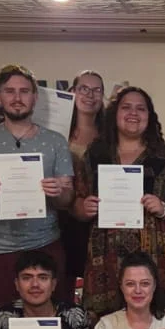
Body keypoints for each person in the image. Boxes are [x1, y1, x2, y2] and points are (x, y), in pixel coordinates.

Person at [76, 86, 165, 317]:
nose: (133, 113)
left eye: (140, 109)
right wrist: (84, 208)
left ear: (149, 117)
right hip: (105, 262)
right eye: (126, 107)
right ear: (114, 114)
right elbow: (76, 201)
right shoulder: (96, 154)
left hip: (156, 260)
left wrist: (164, 208)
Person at [0, 64, 74, 316]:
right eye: (10, 91)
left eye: (24, 91)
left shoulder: (55, 141)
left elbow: (67, 199)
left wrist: (58, 191)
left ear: (35, 97)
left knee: (51, 322)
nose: (17, 98)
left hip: (45, 243)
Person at [57, 69, 105, 293]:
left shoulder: (110, 135)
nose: (90, 95)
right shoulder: (57, 134)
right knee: (65, 283)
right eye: (83, 89)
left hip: (101, 219)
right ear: (73, 92)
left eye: (96, 90)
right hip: (62, 220)